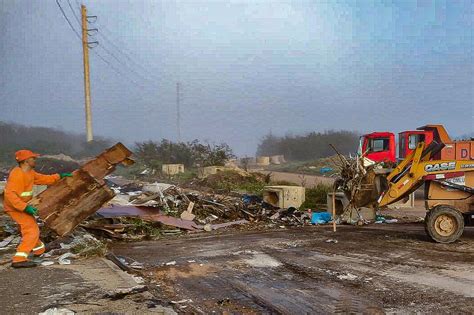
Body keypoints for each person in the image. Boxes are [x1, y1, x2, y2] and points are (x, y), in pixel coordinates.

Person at [3, 150, 73, 268]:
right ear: (26, 161)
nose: (35, 160)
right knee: (31, 231)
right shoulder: (17, 174)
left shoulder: (29, 172)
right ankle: (19, 259)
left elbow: (43, 179)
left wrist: (59, 176)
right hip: (16, 208)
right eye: (33, 158)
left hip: (22, 207)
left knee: (30, 229)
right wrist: (25, 208)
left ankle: (39, 250)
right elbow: (10, 195)